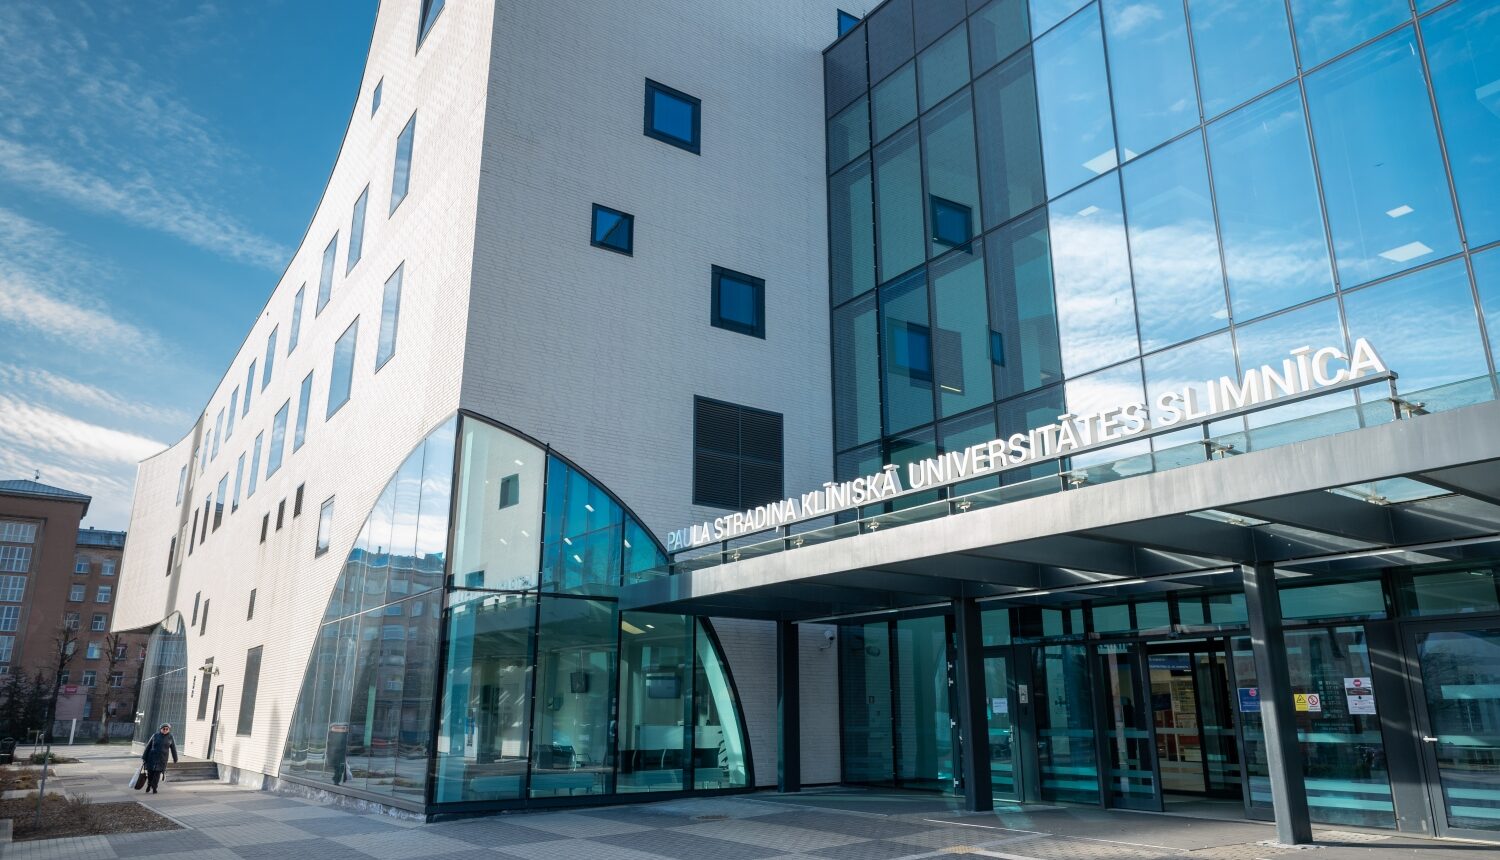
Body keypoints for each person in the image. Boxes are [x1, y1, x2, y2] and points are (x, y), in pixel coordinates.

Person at [141, 723, 178, 793]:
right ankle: (149, 785)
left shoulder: (170, 737)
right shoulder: (155, 735)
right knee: (150, 774)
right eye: (164, 729)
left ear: (169, 730)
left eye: (167, 729)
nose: (165, 730)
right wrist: (144, 757)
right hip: (151, 758)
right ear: (161, 729)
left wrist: (175, 758)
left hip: (162, 759)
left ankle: (154, 788)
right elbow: (148, 747)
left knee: (157, 774)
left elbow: (173, 749)